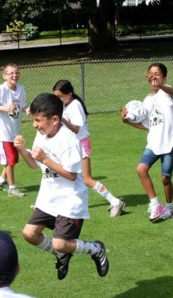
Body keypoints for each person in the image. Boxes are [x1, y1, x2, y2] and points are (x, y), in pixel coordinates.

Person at [17, 93, 109, 281]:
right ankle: (62, 255)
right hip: (48, 198)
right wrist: (21, 150)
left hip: (70, 199)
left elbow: (71, 175)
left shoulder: (68, 140)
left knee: (60, 243)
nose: (34, 125)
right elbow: (35, 164)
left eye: (38, 120)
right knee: (29, 233)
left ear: (55, 119)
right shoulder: (41, 135)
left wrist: (45, 159)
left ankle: (96, 249)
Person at [52, 79, 126, 217]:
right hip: (71, 147)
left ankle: (115, 202)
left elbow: (76, 129)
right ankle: (52, 207)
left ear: (69, 94)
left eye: (60, 96)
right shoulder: (65, 106)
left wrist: (62, 119)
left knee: (87, 179)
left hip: (81, 146)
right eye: (56, 96)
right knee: (64, 176)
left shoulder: (75, 105)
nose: (58, 99)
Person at [122, 63, 173, 222]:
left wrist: (161, 85)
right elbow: (146, 125)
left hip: (172, 142)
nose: (153, 76)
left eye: (157, 74)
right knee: (141, 169)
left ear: (163, 78)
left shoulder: (167, 92)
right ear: (147, 77)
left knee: (165, 178)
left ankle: (169, 207)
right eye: (151, 73)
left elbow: (172, 91)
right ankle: (155, 204)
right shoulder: (146, 101)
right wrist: (128, 122)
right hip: (154, 143)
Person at [0, 63, 27, 197]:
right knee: (10, 160)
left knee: (13, 159)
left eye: (17, 73)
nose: (14, 75)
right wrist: (5, 108)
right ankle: (12, 188)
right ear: (4, 76)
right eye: (11, 73)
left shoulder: (21, 89)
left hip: (14, 130)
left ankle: (1, 181)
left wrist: (26, 109)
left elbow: (22, 105)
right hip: (2, 132)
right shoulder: (1, 89)